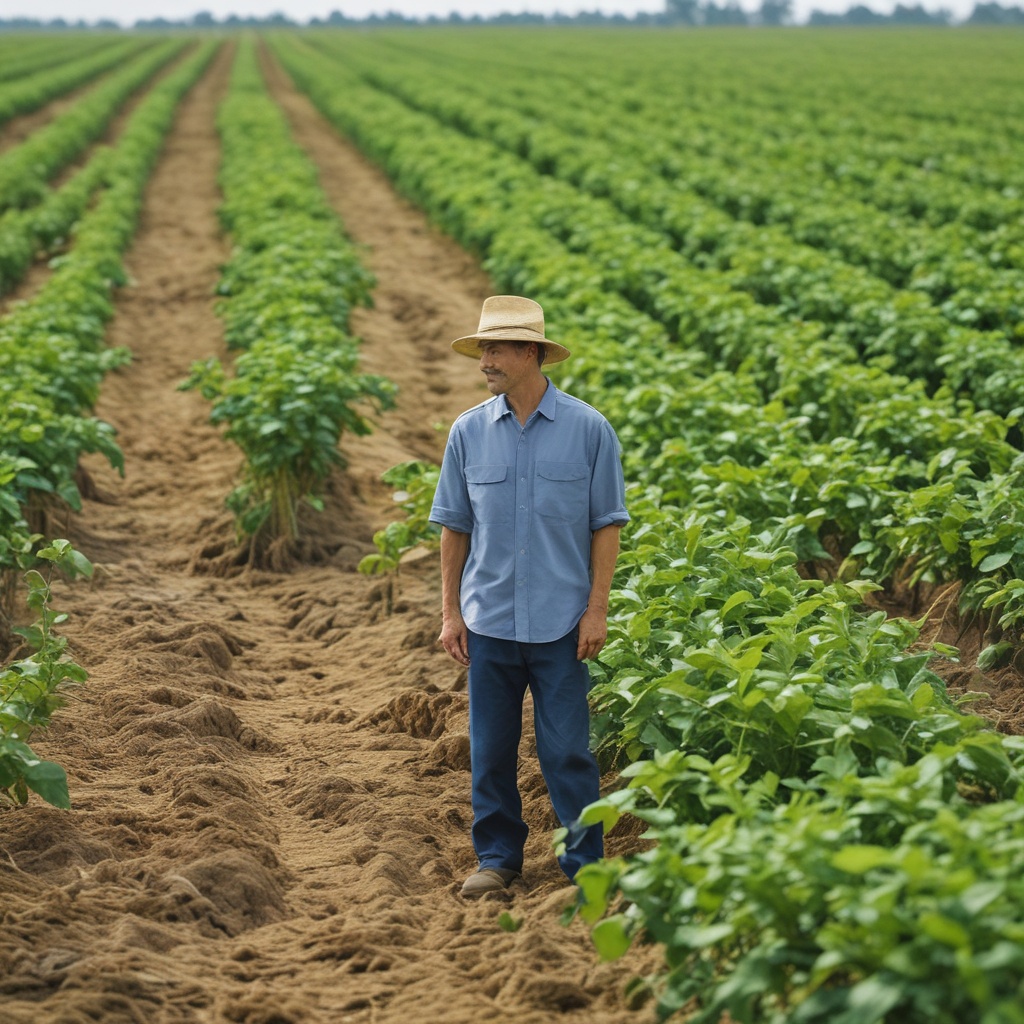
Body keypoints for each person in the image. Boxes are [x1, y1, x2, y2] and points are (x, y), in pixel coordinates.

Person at [429, 295, 629, 898]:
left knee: (567, 752)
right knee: (489, 750)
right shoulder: (468, 431)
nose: (484, 359)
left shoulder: (589, 429)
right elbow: (453, 527)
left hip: (562, 622)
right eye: (482, 348)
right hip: (488, 619)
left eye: (495, 348)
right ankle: (497, 858)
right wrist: (450, 611)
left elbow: (608, 525)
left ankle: (583, 867)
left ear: (530, 353)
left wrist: (596, 609)